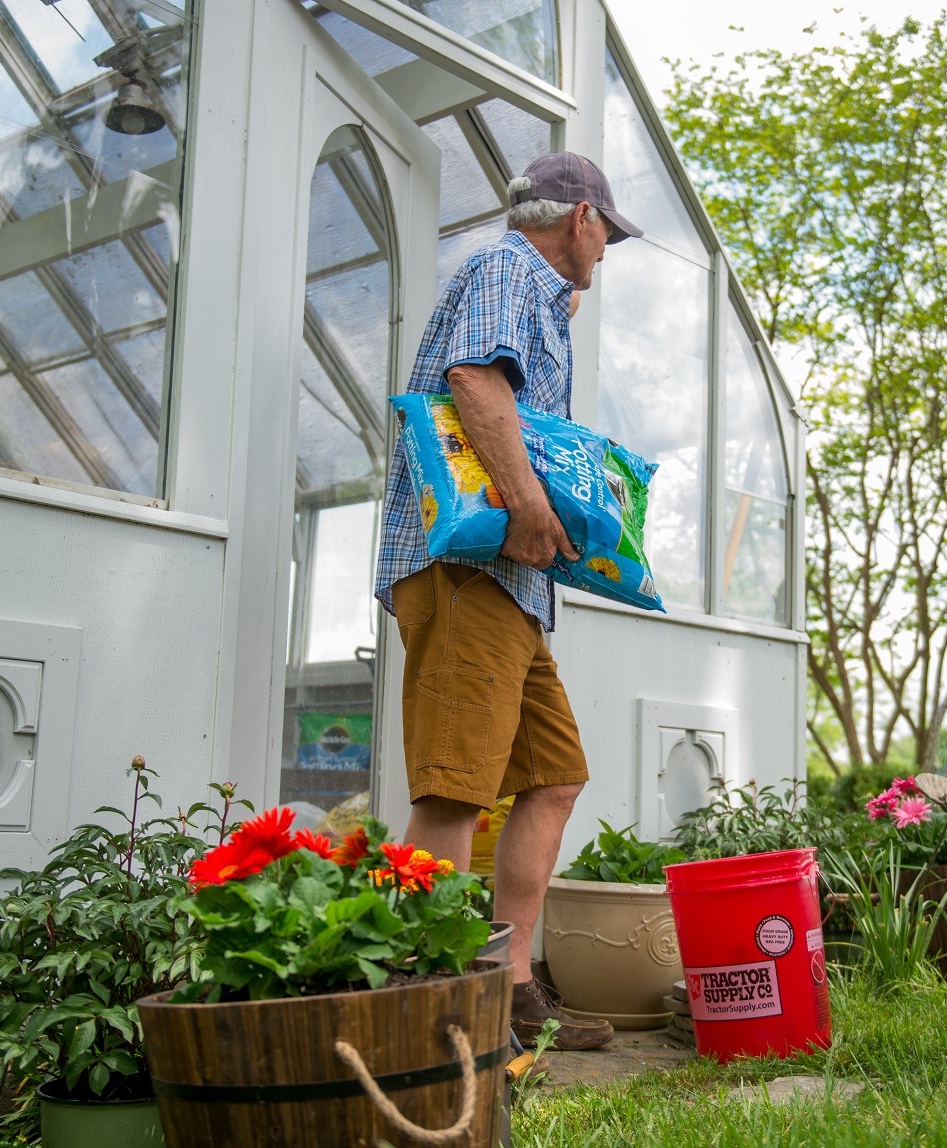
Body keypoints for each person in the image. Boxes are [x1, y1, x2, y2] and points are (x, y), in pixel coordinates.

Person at [373, 152, 642, 1051]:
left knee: (552, 776)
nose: (604, 255)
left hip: (512, 585)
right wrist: (529, 504)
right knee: (454, 789)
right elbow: (474, 380)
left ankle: (511, 987)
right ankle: (430, 1000)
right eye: (605, 235)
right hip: (467, 569)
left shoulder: (537, 294)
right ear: (580, 219)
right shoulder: (506, 268)